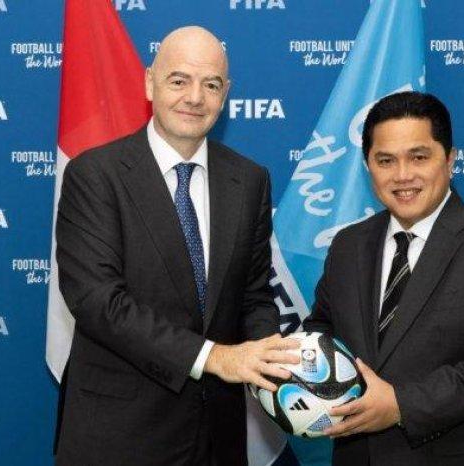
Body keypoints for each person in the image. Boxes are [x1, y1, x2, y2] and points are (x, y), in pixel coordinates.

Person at [53, 26, 298, 466]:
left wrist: (270, 361)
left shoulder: (250, 180)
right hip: (119, 436)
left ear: (226, 95)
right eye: (179, 80)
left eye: (211, 85)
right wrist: (215, 357)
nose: (195, 98)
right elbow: (98, 302)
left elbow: (254, 295)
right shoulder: (95, 175)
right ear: (150, 83)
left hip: (219, 436)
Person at [303, 91, 464, 465]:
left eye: (418, 157)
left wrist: (400, 405)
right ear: (367, 166)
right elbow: (322, 331)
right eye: (385, 160)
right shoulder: (348, 245)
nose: (402, 175)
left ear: (449, 160)